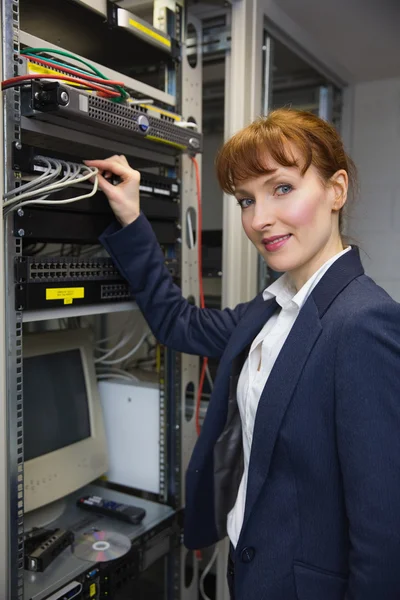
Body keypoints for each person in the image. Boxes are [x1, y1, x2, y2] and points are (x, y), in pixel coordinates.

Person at [85, 109, 400, 600]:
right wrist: (130, 215)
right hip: (253, 569)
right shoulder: (271, 310)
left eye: (282, 189)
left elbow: (384, 532)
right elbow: (178, 323)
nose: (259, 220)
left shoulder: (362, 323)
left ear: (336, 190)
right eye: (246, 200)